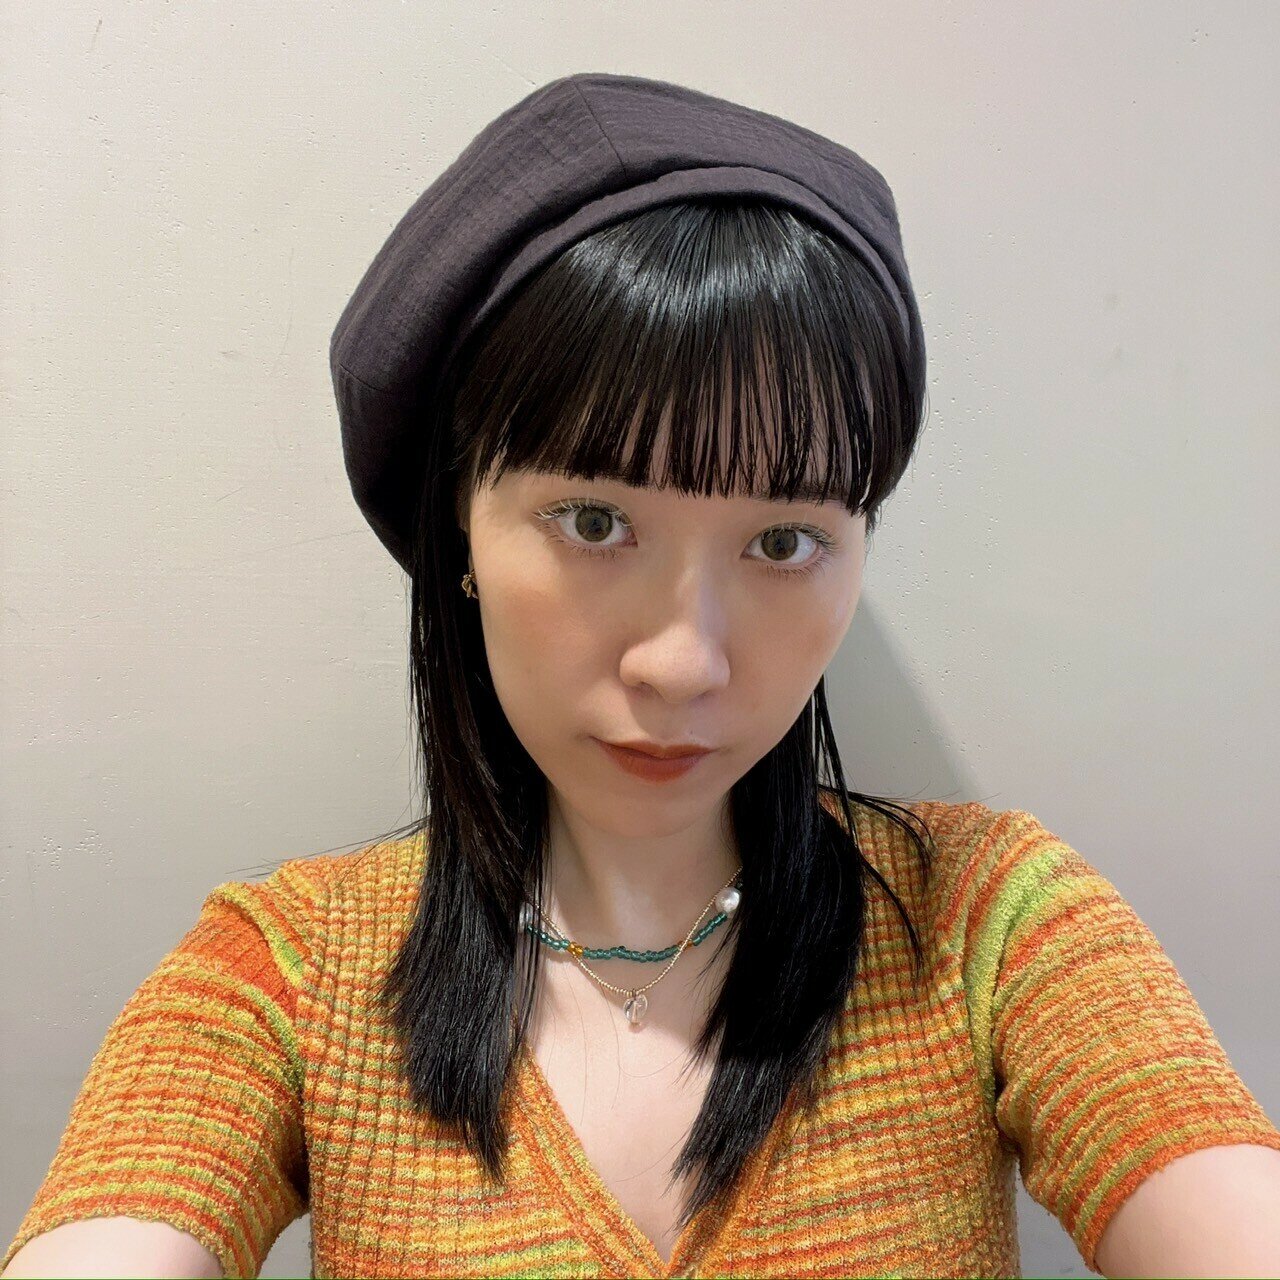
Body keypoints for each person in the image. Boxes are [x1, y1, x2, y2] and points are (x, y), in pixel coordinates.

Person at [5, 72, 1280, 1280]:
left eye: (783, 541)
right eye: (593, 521)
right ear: (460, 527)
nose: (682, 661)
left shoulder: (986, 924)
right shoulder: (287, 971)